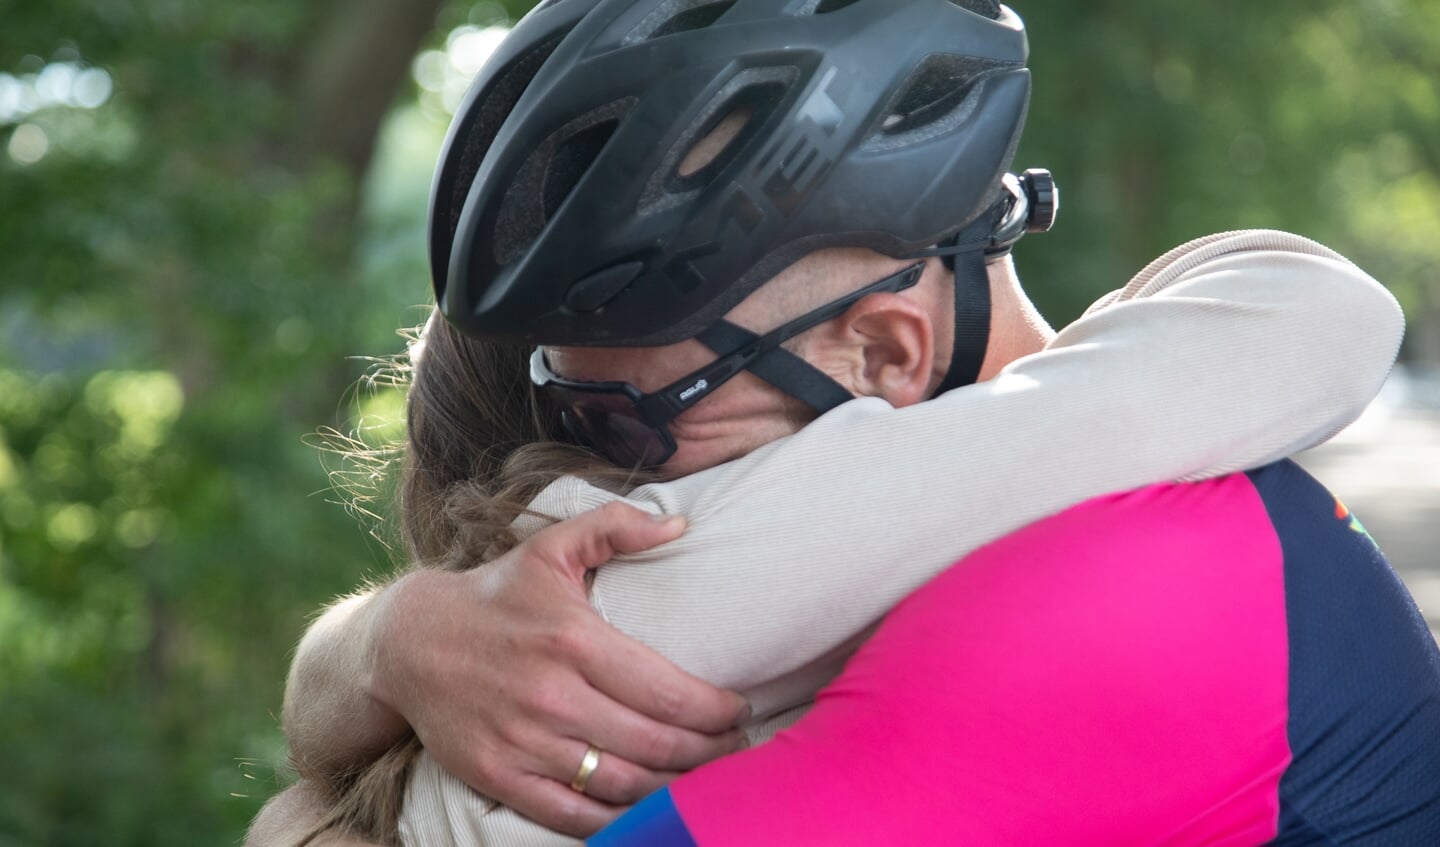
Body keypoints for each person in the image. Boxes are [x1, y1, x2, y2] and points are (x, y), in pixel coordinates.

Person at [247, 0, 1436, 844]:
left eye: (635, 416)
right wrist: (386, 639)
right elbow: (1307, 307)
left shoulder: (1104, 587)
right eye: (566, 405)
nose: (600, 468)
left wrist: (351, 726)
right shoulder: (1163, 443)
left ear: (883, 354)